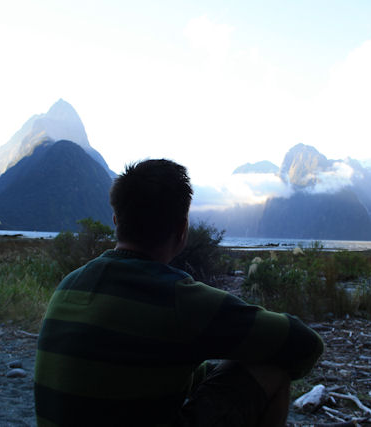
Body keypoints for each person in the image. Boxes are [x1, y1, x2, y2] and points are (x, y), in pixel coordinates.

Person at [34, 159, 324, 426]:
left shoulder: (68, 284)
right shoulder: (175, 296)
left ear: (116, 222)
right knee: (271, 369)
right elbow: (304, 342)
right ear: (183, 229)